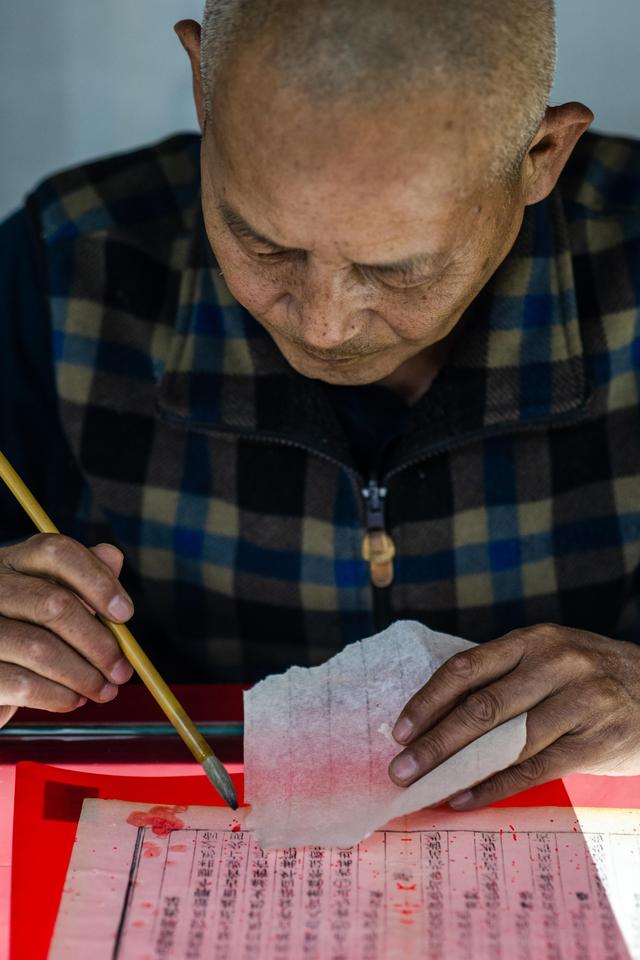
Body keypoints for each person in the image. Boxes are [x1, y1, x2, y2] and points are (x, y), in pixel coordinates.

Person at [1, 0, 639, 808]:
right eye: (262, 244)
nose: (322, 326)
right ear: (202, 87)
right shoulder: (64, 269)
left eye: (397, 268)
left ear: (540, 157)